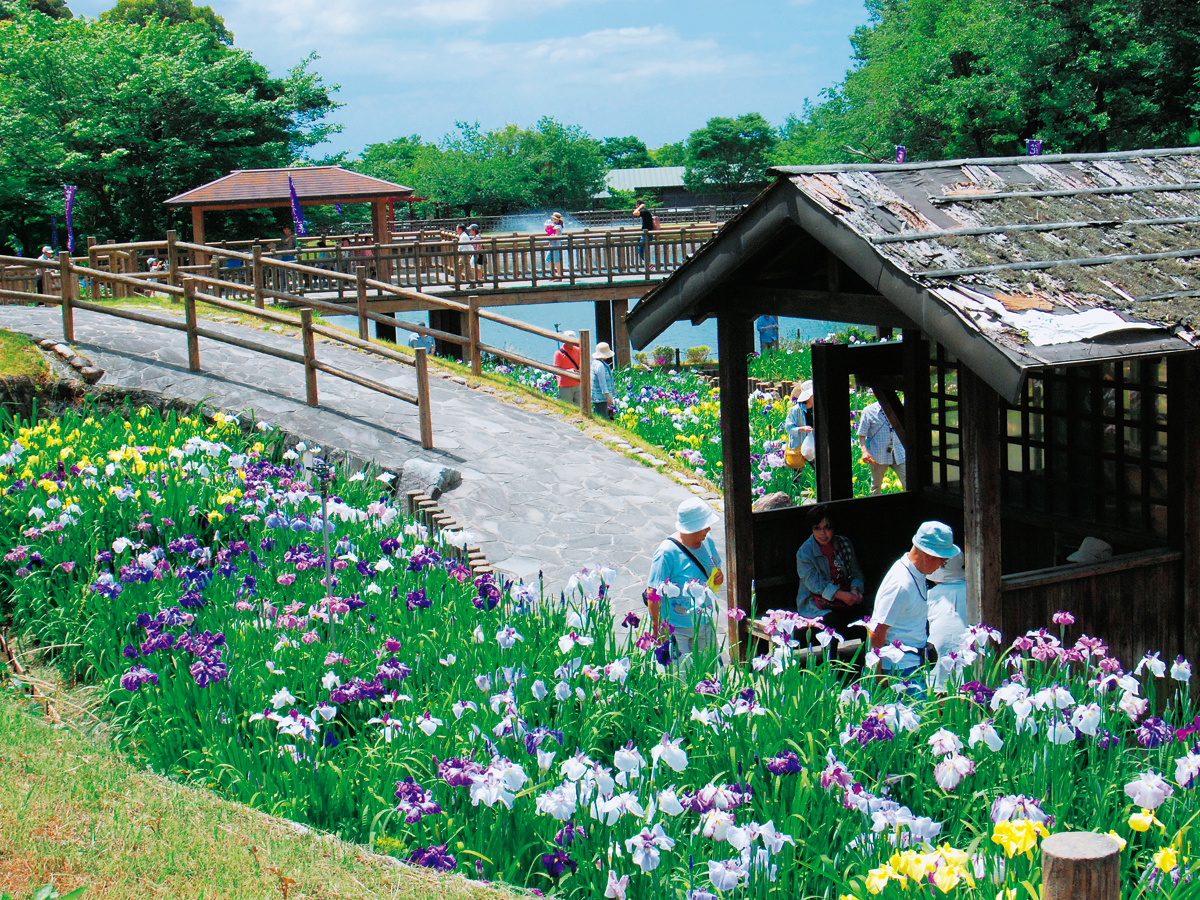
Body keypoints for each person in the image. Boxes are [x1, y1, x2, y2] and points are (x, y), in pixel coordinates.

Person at [871, 521, 960, 677]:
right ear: (928, 556)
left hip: (913, 664)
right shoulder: (901, 585)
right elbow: (877, 632)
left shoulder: (917, 574)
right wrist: (879, 678)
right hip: (897, 670)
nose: (942, 565)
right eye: (942, 560)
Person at [647, 498, 725, 666]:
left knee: (709, 672)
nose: (709, 528)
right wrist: (656, 626)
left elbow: (715, 568)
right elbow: (652, 593)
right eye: (705, 525)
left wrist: (719, 577)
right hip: (676, 628)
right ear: (694, 528)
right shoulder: (666, 553)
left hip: (704, 622)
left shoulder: (707, 540)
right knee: (680, 677)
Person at [795, 505, 866, 650]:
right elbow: (815, 585)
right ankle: (831, 669)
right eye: (817, 528)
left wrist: (855, 590)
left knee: (865, 621)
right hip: (816, 605)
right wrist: (842, 595)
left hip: (846, 600)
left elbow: (856, 573)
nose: (823, 533)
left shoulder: (844, 544)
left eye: (827, 527)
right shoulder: (804, 552)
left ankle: (863, 667)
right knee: (831, 627)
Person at [927, 551, 967, 689]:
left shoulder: (931, 594)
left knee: (939, 686)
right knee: (966, 684)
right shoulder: (972, 590)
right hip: (967, 648)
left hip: (939, 648)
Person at [858, 392, 907, 495]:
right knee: (876, 487)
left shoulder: (899, 410)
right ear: (876, 395)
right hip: (878, 455)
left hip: (899, 453)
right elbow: (862, 433)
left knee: (909, 483)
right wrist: (864, 451)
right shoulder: (869, 411)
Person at [783, 381, 815, 480]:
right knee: (797, 477)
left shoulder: (817, 409)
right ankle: (793, 494)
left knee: (821, 470)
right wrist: (802, 429)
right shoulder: (795, 410)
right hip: (798, 445)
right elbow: (788, 428)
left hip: (812, 446)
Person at [553, 330, 581, 406]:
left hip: (577, 383)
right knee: (568, 407)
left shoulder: (578, 350)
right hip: (565, 385)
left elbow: (581, 364)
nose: (571, 343)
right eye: (569, 341)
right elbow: (556, 369)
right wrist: (568, 371)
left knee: (580, 408)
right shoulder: (559, 353)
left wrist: (580, 370)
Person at [591, 341, 616, 419]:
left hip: (597, 396)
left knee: (600, 415)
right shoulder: (600, 365)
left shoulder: (595, 363)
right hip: (601, 397)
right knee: (603, 417)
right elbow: (602, 382)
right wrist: (608, 396)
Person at [546, 213, 564, 280]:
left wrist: (552, 236)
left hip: (556, 244)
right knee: (548, 259)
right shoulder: (553, 225)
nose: (553, 219)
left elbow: (557, 235)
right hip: (552, 244)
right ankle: (554, 274)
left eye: (554, 218)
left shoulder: (559, 226)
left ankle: (559, 275)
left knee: (557, 260)